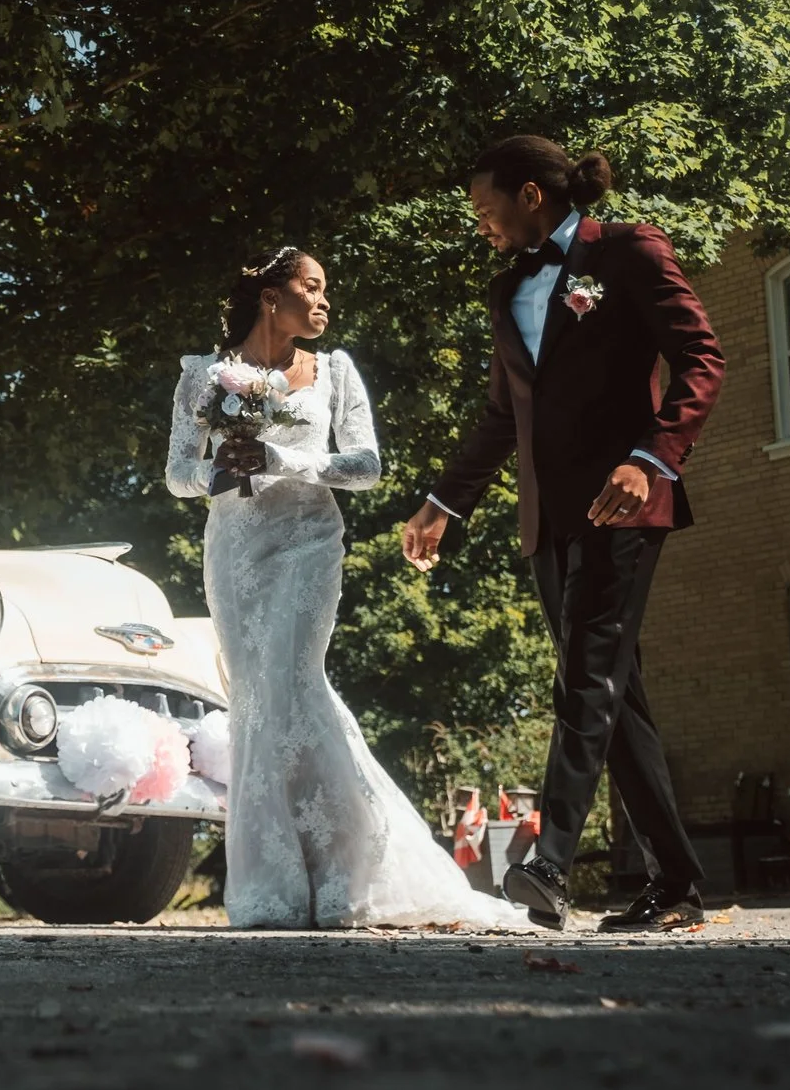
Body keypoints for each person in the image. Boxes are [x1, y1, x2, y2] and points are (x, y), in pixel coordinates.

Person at [400, 137, 724, 933]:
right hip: (548, 521)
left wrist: (650, 458)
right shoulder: (507, 287)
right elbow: (502, 414)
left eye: (487, 207)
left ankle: (549, 865)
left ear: (533, 194)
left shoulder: (628, 251)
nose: (481, 224)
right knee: (614, 697)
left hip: (624, 504)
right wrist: (446, 499)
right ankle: (676, 882)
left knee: (585, 678)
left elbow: (702, 359)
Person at [168, 246, 525, 929]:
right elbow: (178, 473)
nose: (325, 300)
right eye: (313, 287)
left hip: (307, 543)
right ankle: (271, 883)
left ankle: (344, 870)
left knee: (294, 679)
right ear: (273, 296)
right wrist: (224, 471)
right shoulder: (202, 375)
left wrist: (281, 458)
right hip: (237, 549)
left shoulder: (334, 370)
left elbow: (365, 465)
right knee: (256, 700)